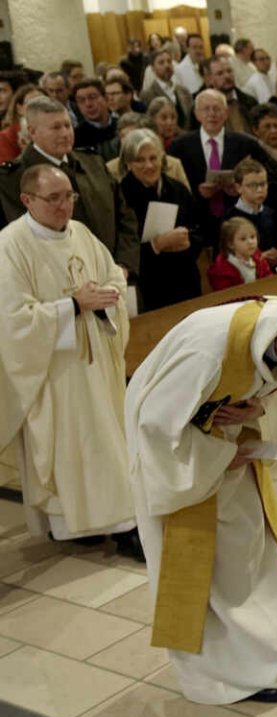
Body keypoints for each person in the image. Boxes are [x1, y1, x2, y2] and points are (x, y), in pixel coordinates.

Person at [126, 300, 277, 704]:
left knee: (248, 540)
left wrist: (261, 407)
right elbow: (156, 424)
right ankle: (222, 666)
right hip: (185, 459)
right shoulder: (208, 354)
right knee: (208, 561)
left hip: (228, 449)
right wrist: (216, 458)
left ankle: (266, 645)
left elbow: (275, 387)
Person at [0, 164, 141, 560]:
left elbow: (112, 275)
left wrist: (105, 296)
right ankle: (81, 526)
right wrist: (72, 306)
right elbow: (11, 320)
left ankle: (125, 525)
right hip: (54, 373)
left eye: (69, 197)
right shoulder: (10, 246)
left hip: (96, 363)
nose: (65, 207)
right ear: (27, 200)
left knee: (107, 444)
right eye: (54, 199)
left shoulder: (81, 234)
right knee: (73, 450)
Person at [0, 98, 141, 279]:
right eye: (56, 127)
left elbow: (125, 217)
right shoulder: (11, 178)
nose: (65, 133)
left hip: (115, 276)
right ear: (32, 131)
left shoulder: (93, 163)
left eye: (68, 125)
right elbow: (27, 240)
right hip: (59, 286)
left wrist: (123, 265)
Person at [168, 89, 271, 238]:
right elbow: (174, 187)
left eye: (217, 108)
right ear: (197, 114)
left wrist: (241, 189)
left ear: (226, 112)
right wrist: (198, 192)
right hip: (198, 220)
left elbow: (265, 179)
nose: (212, 114)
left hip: (240, 219)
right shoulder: (180, 146)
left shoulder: (246, 143)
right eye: (206, 109)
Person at [118, 129, 202, 311]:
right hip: (149, 290)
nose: (148, 165)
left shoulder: (178, 189)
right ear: (128, 163)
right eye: (140, 160)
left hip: (186, 282)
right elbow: (120, 250)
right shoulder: (120, 196)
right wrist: (157, 245)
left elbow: (201, 230)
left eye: (153, 158)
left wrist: (189, 242)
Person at [225, 157, 277, 266]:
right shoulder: (230, 219)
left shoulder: (269, 213)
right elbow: (226, 257)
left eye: (263, 184)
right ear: (238, 188)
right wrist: (260, 258)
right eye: (252, 185)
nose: (259, 190)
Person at [195, 56, 258, 134]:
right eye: (220, 73)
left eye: (229, 71)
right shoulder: (202, 108)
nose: (227, 76)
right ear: (209, 79)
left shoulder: (250, 102)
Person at [209, 215, 273, 290]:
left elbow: (269, 278)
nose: (250, 242)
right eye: (243, 239)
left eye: (252, 237)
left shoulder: (259, 257)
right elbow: (225, 295)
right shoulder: (221, 270)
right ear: (231, 244)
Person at [141, 48, 194, 131]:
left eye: (169, 61)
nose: (167, 65)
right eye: (161, 63)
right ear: (153, 68)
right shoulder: (147, 94)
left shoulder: (184, 91)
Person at [0, 85, 44, 163]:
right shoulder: (6, 137)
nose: (39, 108)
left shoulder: (53, 131)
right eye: (32, 103)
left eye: (45, 103)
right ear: (19, 108)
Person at [72, 79, 118, 152]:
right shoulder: (76, 137)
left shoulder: (122, 126)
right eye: (81, 100)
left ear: (106, 99)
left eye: (93, 97)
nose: (88, 104)